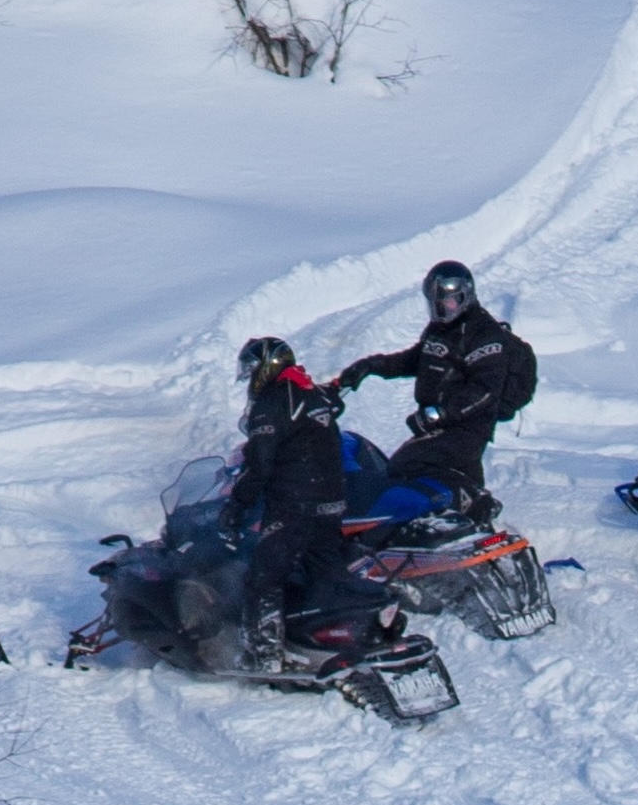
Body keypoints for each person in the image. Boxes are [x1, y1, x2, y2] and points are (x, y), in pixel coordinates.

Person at [332, 260, 538, 532]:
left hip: (467, 425)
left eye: (448, 303)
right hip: (442, 424)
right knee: (421, 469)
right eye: (435, 303)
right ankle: (462, 519)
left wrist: (440, 413)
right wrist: (372, 366)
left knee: (408, 465)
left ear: (465, 297)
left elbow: (484, 389)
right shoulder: (441, 330)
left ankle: (469, 507)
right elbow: (417, 359)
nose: (441, 309)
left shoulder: (484, 336)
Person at [225, 334, 352, 661]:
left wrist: (237, 503)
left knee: (265, 577)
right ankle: (334, 641)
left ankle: (263, 654)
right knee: (327, 573)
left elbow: (259, 463)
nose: (251, 379)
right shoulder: (313, 393)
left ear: (266, 367)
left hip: (296, 503)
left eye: (252, 370)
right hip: (332, 501)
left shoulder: (272, 402)